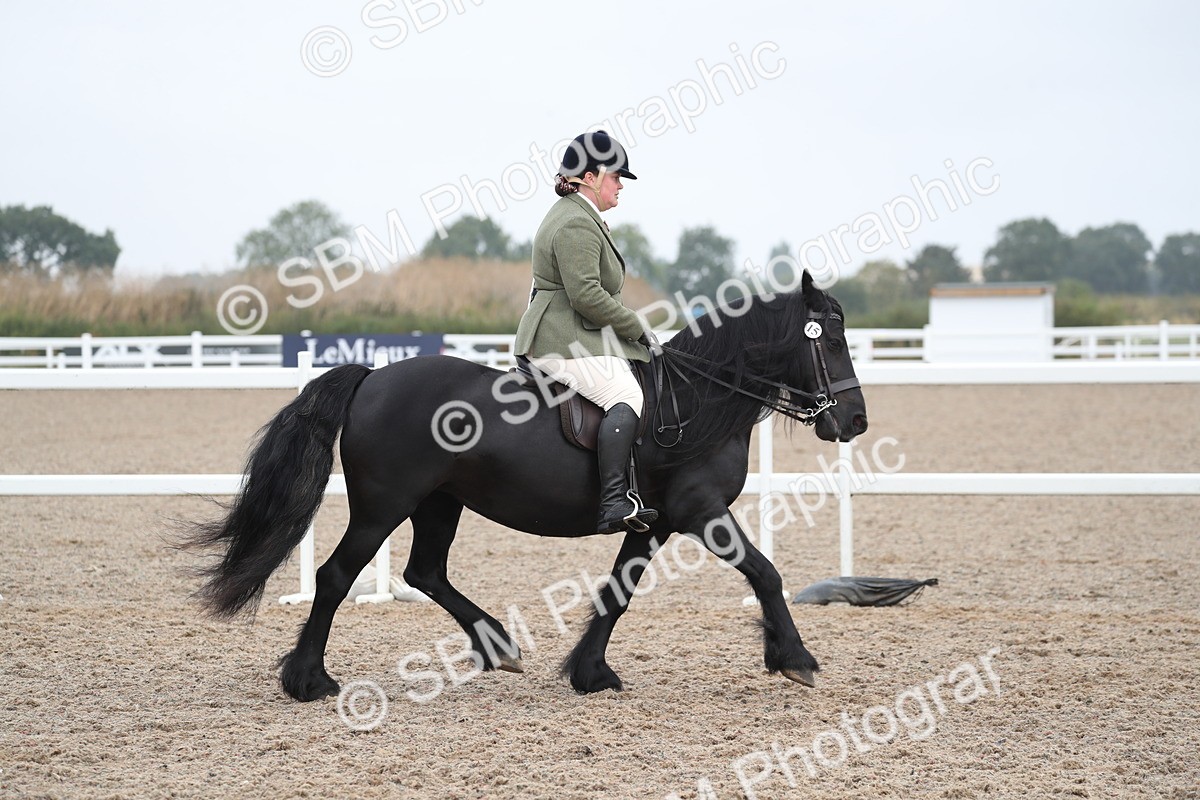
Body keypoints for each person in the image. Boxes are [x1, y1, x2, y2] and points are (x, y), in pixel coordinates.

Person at [513, 130, 658, 535]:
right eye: (616, 177)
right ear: (590, 177)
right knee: (626, 394)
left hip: (571, 334)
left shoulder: (579, 216)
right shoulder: (576, 222)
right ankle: (613, 501)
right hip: (560, 340)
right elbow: (587, 295)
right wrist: (637, 328)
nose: (620, 187)